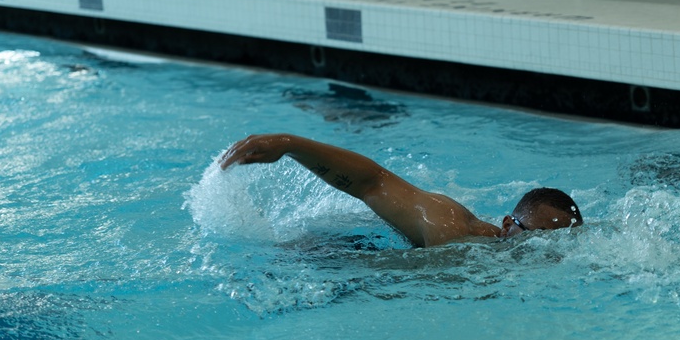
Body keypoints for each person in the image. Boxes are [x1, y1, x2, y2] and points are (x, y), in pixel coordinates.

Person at [220, 134, 583, 248]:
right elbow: (373, 182)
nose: (540, 252)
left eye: (555, 246)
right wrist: (289, 144)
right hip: (324, 258)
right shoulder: (448, 225)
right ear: (508, 225)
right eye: (534, 238)